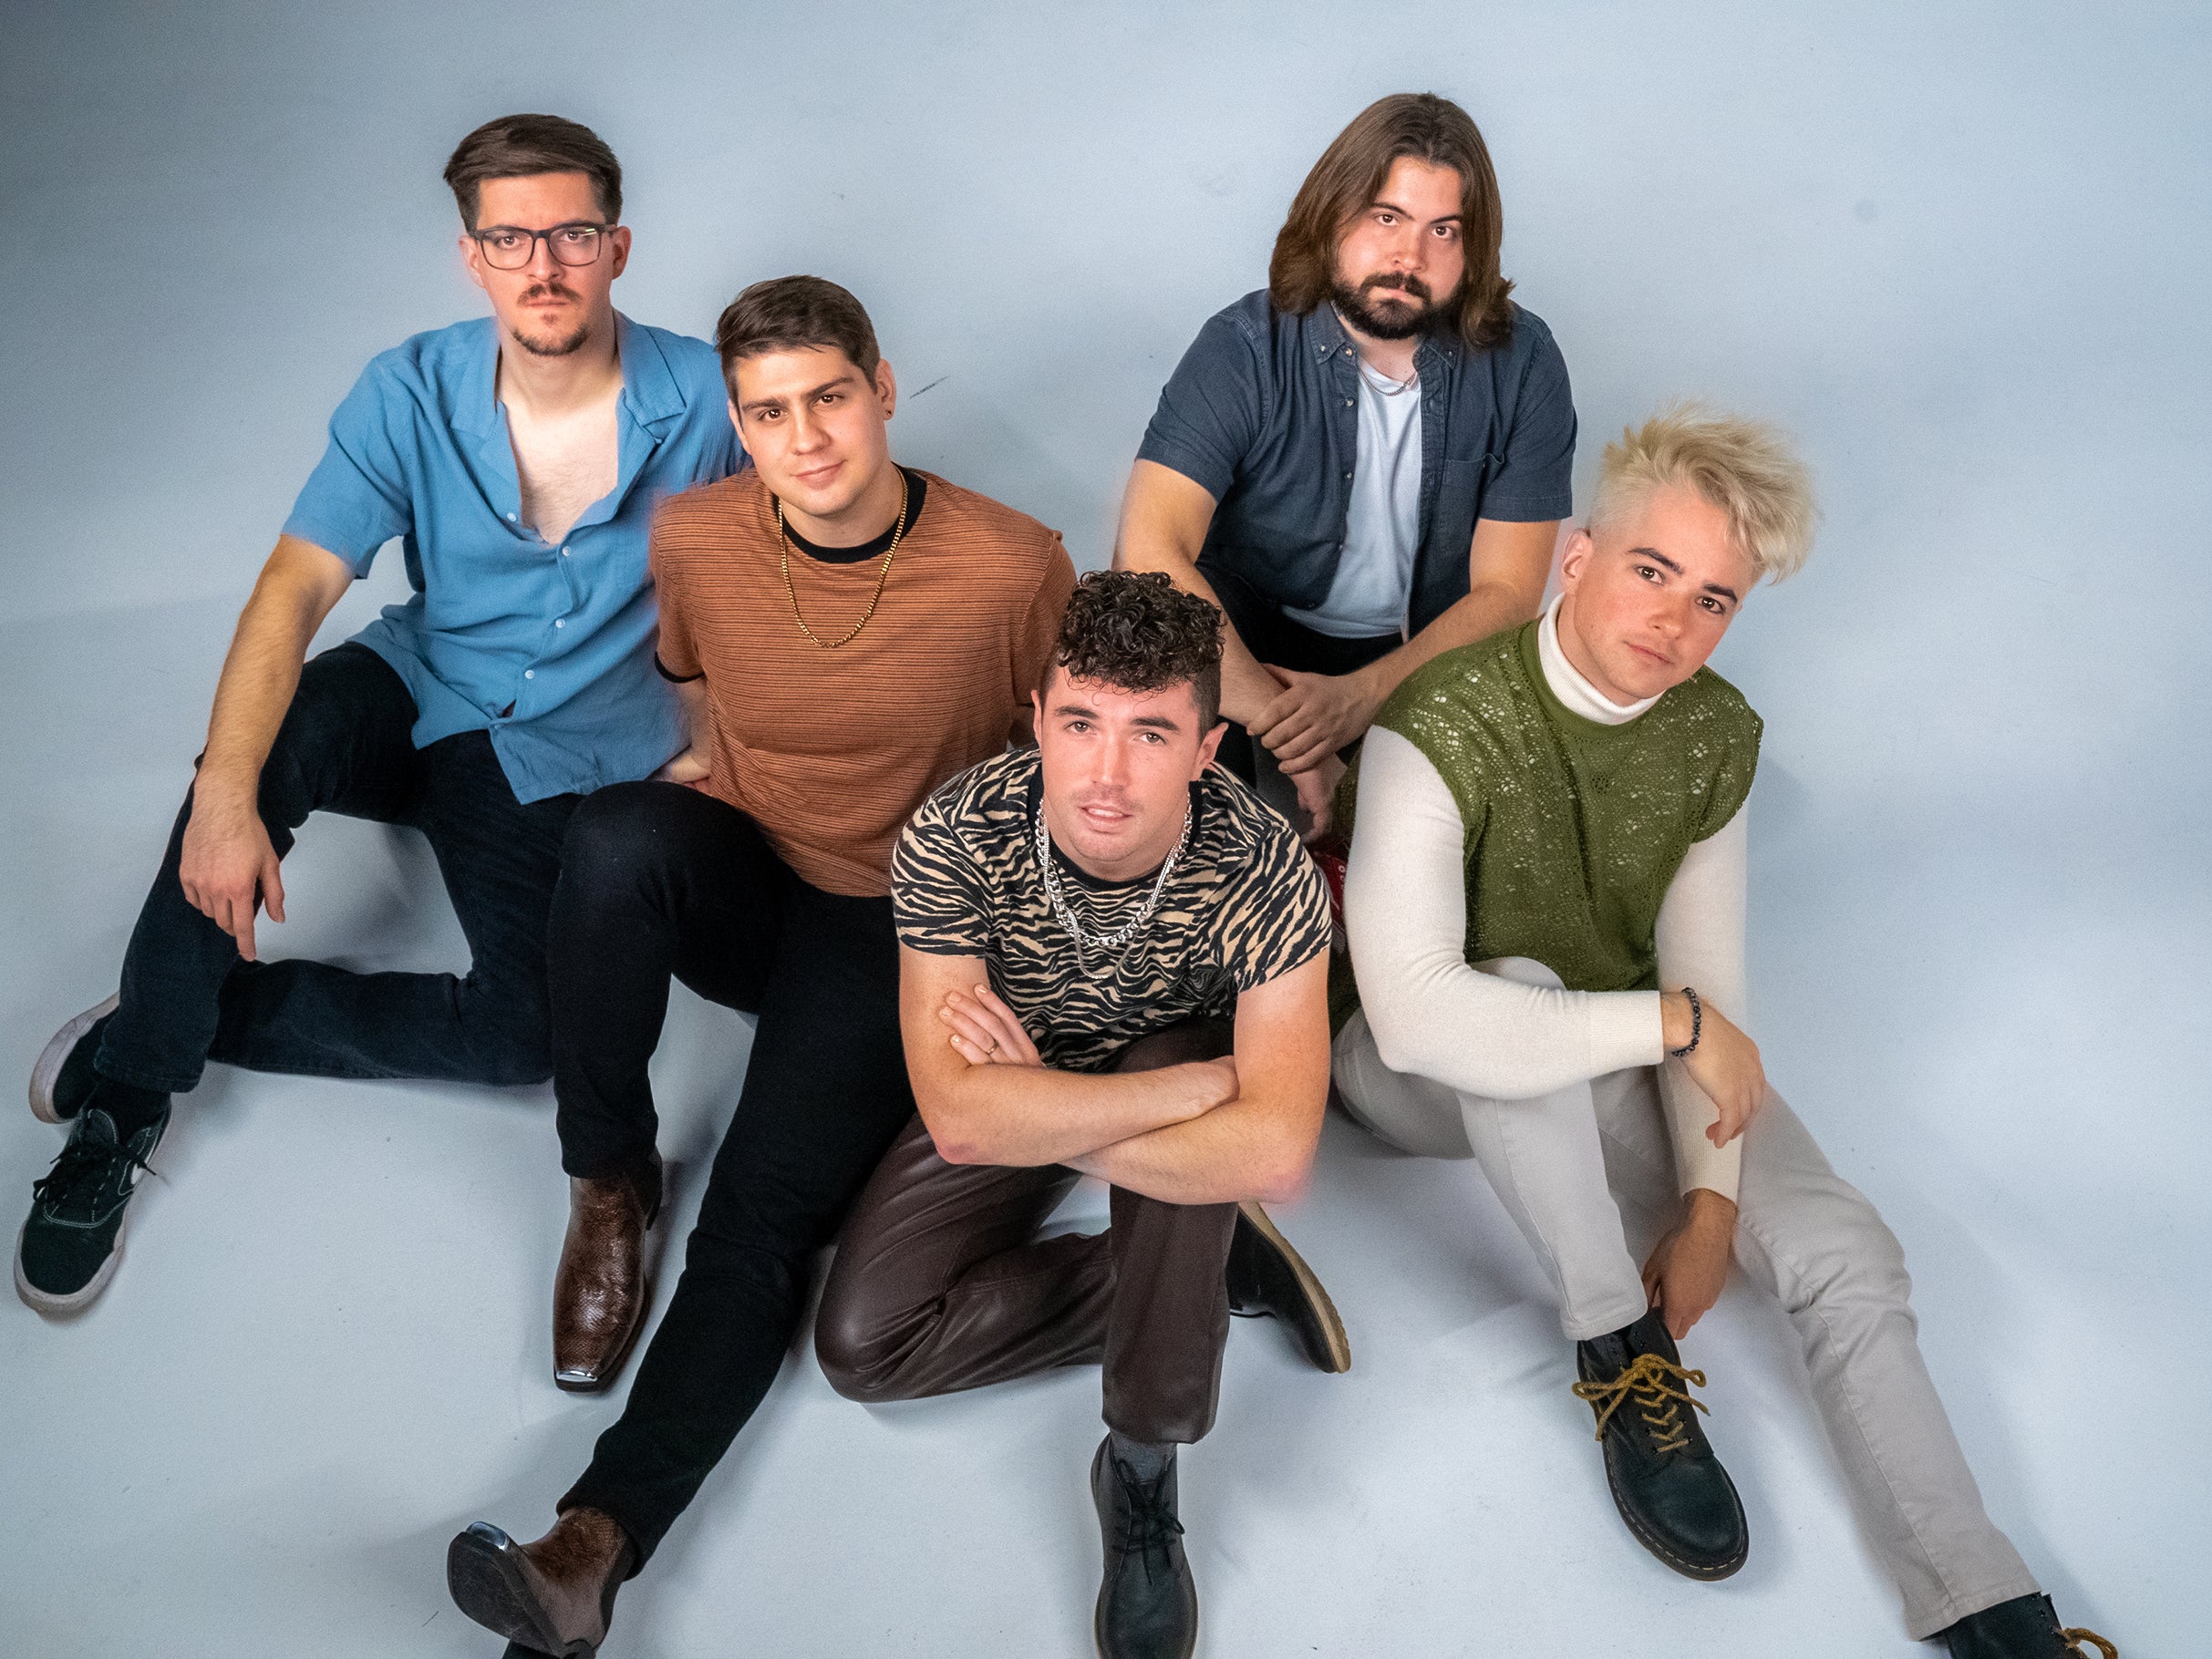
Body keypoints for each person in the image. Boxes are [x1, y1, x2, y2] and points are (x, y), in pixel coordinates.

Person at [1330, 407, 2116, 1658]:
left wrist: (1708, 1210)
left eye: (1712, 599)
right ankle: (1615, 1347)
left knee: (1843, 1249)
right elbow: (1421, 1016)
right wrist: (1677, 1023)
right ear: (1577, 557)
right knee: (1513, 984)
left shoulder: (1710, 734)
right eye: (1652, 571)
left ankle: (1982, 1601)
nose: (1673, 622)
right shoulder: (1438, 717)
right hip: (1405, 1069)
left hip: (1605, 1039)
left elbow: (1705, 985)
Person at [444, 276, 1078, 1658]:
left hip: (894, 926)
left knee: (753, 1227)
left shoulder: (1011, 566)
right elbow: (692, 679)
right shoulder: (697, 534)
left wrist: (990, 954)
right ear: (739, 425)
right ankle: (608, 1174)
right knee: (616, 835)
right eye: (769, 413)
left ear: (883, 389)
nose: (806, 439)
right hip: (756, 873)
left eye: (829, 398)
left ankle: (591, 1544)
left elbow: (1063, 767)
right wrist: (720, 780)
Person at [15, 114, 739, 1315]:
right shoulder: (408, 389)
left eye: (570, 234)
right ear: (472, 258)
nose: (542, 266)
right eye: (509, 239)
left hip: (560, 755)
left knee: (525, 1040)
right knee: (259, 751)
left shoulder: (709, 399)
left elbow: (786, 579)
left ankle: (182, 1006)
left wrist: (718, 743)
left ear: (616, 246)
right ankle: (130, 1091)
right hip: (421, 686)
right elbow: (293, 588)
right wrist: (225, 798)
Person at [812, 570, 1343, 1659]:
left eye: (1150, 733)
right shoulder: (955, 834)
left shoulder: (1265, 869)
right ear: (1038, 718)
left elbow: (1278, 1149)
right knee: (866, 1346)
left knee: (1187, 1074)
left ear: (1205, 748)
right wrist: (1193, 1102)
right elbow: (962, 1123)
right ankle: (1208, 1265)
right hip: (1098, 1091)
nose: (1105, 771)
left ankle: (1141, 1460)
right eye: (1080, 723)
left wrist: (1053, 1112)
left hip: (1123, 1064)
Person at [1115, 91, 1575, 836]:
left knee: (1478, 829)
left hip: (1426, 651)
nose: (1409, 257)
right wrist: (1294, 732)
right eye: (1386, 218)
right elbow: (1147, 551)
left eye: (1443, 230)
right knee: (1151, 680)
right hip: (1241, 642)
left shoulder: (1524, 363)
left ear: (1474, 249)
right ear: (1332, 214)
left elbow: (1507, 594)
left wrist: (1360, 700)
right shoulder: (1243, 346)